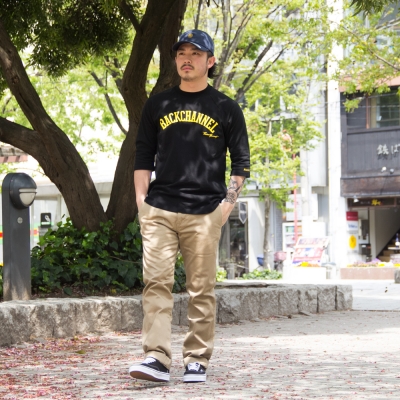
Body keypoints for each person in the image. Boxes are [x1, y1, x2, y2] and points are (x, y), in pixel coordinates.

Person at [129, 29, 250, 384]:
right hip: (160, 210)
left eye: (196, 53)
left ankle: (196, 359)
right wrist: (141, 203)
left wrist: (225, 207)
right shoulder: (158, 105)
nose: (187, 59)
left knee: (201, 290)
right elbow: (143, 155)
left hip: (205, 211)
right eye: (182, 52)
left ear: (210, 61)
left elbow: (241, 163)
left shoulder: (226, 108)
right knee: (156, 284)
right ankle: (156, 358)